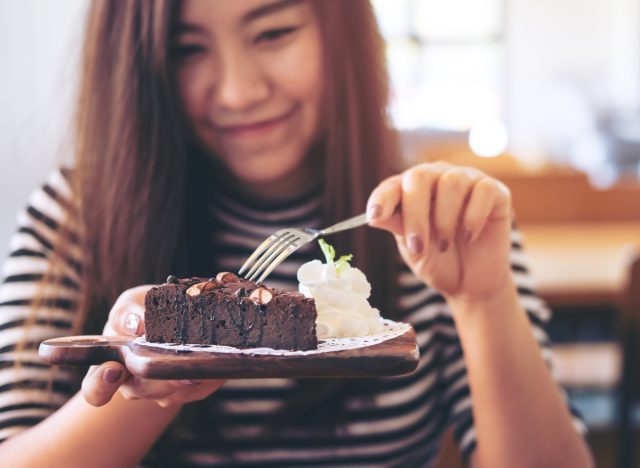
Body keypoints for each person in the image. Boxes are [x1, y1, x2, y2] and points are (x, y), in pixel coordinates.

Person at [0, 0, 593, 466]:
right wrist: (161, 367)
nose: (238, 90)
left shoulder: (440, 221)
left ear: (342, 30)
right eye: (187, 49)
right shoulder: (77, 214)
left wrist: (483, 301)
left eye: (273, 32)